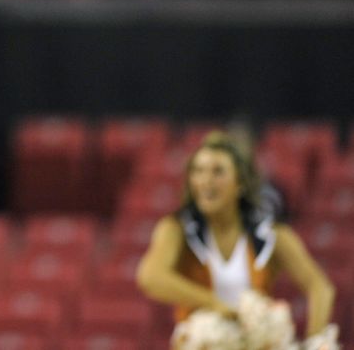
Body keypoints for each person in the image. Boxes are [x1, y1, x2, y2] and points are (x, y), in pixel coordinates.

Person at [136, 131, 336, 343]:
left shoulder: (270, 234)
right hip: (202, 341)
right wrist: (214, 303)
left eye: (218, 172)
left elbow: (320, 287)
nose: (206, 180)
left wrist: (316, 339)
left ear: (239, 182)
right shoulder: (178, 229)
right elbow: (150, 277)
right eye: (198, 171)